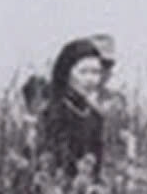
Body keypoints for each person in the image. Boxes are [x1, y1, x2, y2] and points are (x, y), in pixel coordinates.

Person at [41, 38, 105, 178]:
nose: (91, 79)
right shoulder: (53, 112)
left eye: (96, 72)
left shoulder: (95, 116)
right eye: (83, 72)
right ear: (66, 72)